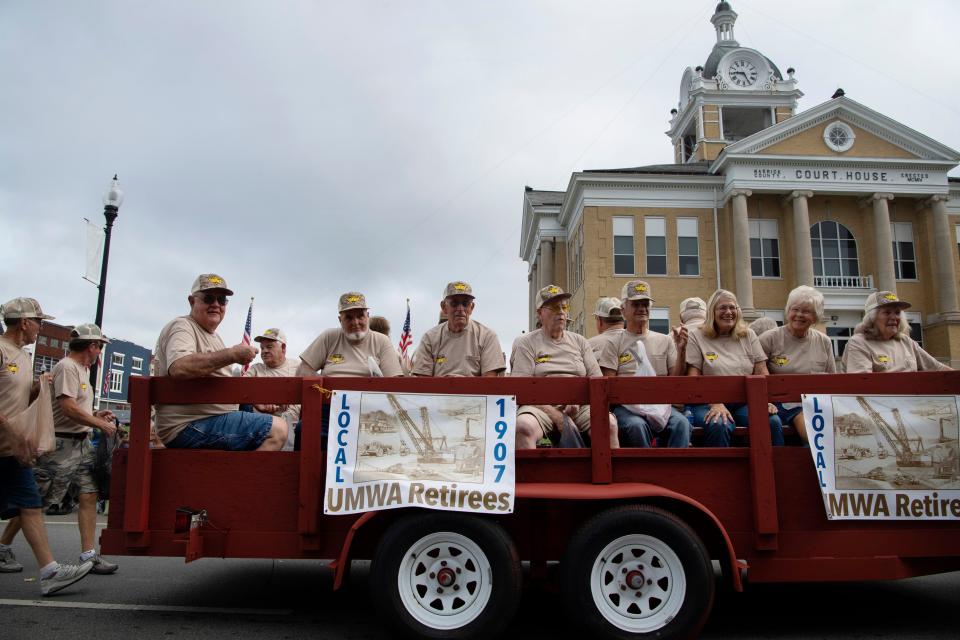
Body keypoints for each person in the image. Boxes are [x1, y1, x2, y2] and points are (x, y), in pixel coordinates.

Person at [0, 297, 93, 595]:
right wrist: (11, 432)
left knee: (30, 504)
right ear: (24, 322)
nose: (40, 328)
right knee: (29, 503)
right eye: (38, 322)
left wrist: (38, 388)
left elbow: (20, 400)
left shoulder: (25, 357)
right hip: (7, 444)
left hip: (13, 451)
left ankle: (50, 572)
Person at [154, 274, 288, 451]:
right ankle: (244, 479)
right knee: (278, 429)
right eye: (209, 298)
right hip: (187, 425)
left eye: (222, 300)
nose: (216, 304)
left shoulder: (213, 337)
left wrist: (254, 402)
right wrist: (232, 354)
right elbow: (180, 367)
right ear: (192, 301)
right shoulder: (182, 326)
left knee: (277, 424)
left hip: (205, 421)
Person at [510, 285, 619, 450]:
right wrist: (554, 414)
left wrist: (579, 401)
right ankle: (531, 476)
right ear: (540, 313)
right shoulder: (527, 343)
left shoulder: (580, 341)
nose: (560, 311)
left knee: (609, 424)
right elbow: (521, 389)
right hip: (540, 407)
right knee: (523, 427)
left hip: (580, 406)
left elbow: (598, 381)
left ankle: (614, 476)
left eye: (563, 306)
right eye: (554, 307)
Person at [592, 283, 692, 448]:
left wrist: (681, 350)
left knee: (681, 424)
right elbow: (607, 383)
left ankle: (674, 471)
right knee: (635, 426)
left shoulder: (665, 340)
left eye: (645, 304)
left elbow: (676, 379)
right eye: (636, 304)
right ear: (623, 310)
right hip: (628, 407)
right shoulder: (614, 343)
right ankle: (644, 472)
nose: (642, 309)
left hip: (661, 406)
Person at [297, 292, 403, 446]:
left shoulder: (381, 341)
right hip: (329, 410)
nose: (356, 322)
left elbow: (395, 383)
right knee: (304, 428)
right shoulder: (329, 337)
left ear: (368, 316)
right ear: (340, 319)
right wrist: (321, 390)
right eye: (349, 317)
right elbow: (304, 369)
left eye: (360, 316)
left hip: (367, 413)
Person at [686, 289, 784, 447]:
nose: (728, 312)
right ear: (712, 312)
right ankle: (719, 470)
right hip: (707, 403)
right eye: (723, 308)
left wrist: (764, 400)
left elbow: (761, 371)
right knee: (719, 423)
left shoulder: (748, 335)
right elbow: (693, 376)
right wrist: (714, 403)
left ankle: (775, 470)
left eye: (732, 308)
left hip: (744, 403)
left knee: (771, 421)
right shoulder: (697, 336)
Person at [760, 286, 836, 443]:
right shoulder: (769, 339)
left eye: (806, 311)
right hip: (778, 404)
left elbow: (831, 380)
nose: (799, 315)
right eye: (795, 309)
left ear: (815, 317)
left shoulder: (824, 341)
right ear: (788, 311)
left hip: (815, 404)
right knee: (811, 427)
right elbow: (756, 373)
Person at [843, 291, 952, 373]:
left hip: (913, 400)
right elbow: (862, 383)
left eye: (897, 312)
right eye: (887, 312)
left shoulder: (906, 342)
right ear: (872, 318)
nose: (894, 317)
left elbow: (938, 368)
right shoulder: (859, 343)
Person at [412, 282, 505, 377]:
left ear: (472, 308)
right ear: (444, 307)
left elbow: (489, 383)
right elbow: (423, 382)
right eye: (454, 303)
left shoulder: (487, 336)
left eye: (465, 304)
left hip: (475, 392)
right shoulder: (429, 338)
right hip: (438, 392)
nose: (460, 309)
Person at [244, 328, 299, 415]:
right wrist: (257, 402)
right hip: (259, 423)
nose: (264, 351)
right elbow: (240, 388)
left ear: (283, 348)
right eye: (262, 348)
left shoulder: (298, 367)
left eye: (269, 347)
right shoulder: (256, 369)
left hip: (291, 424)